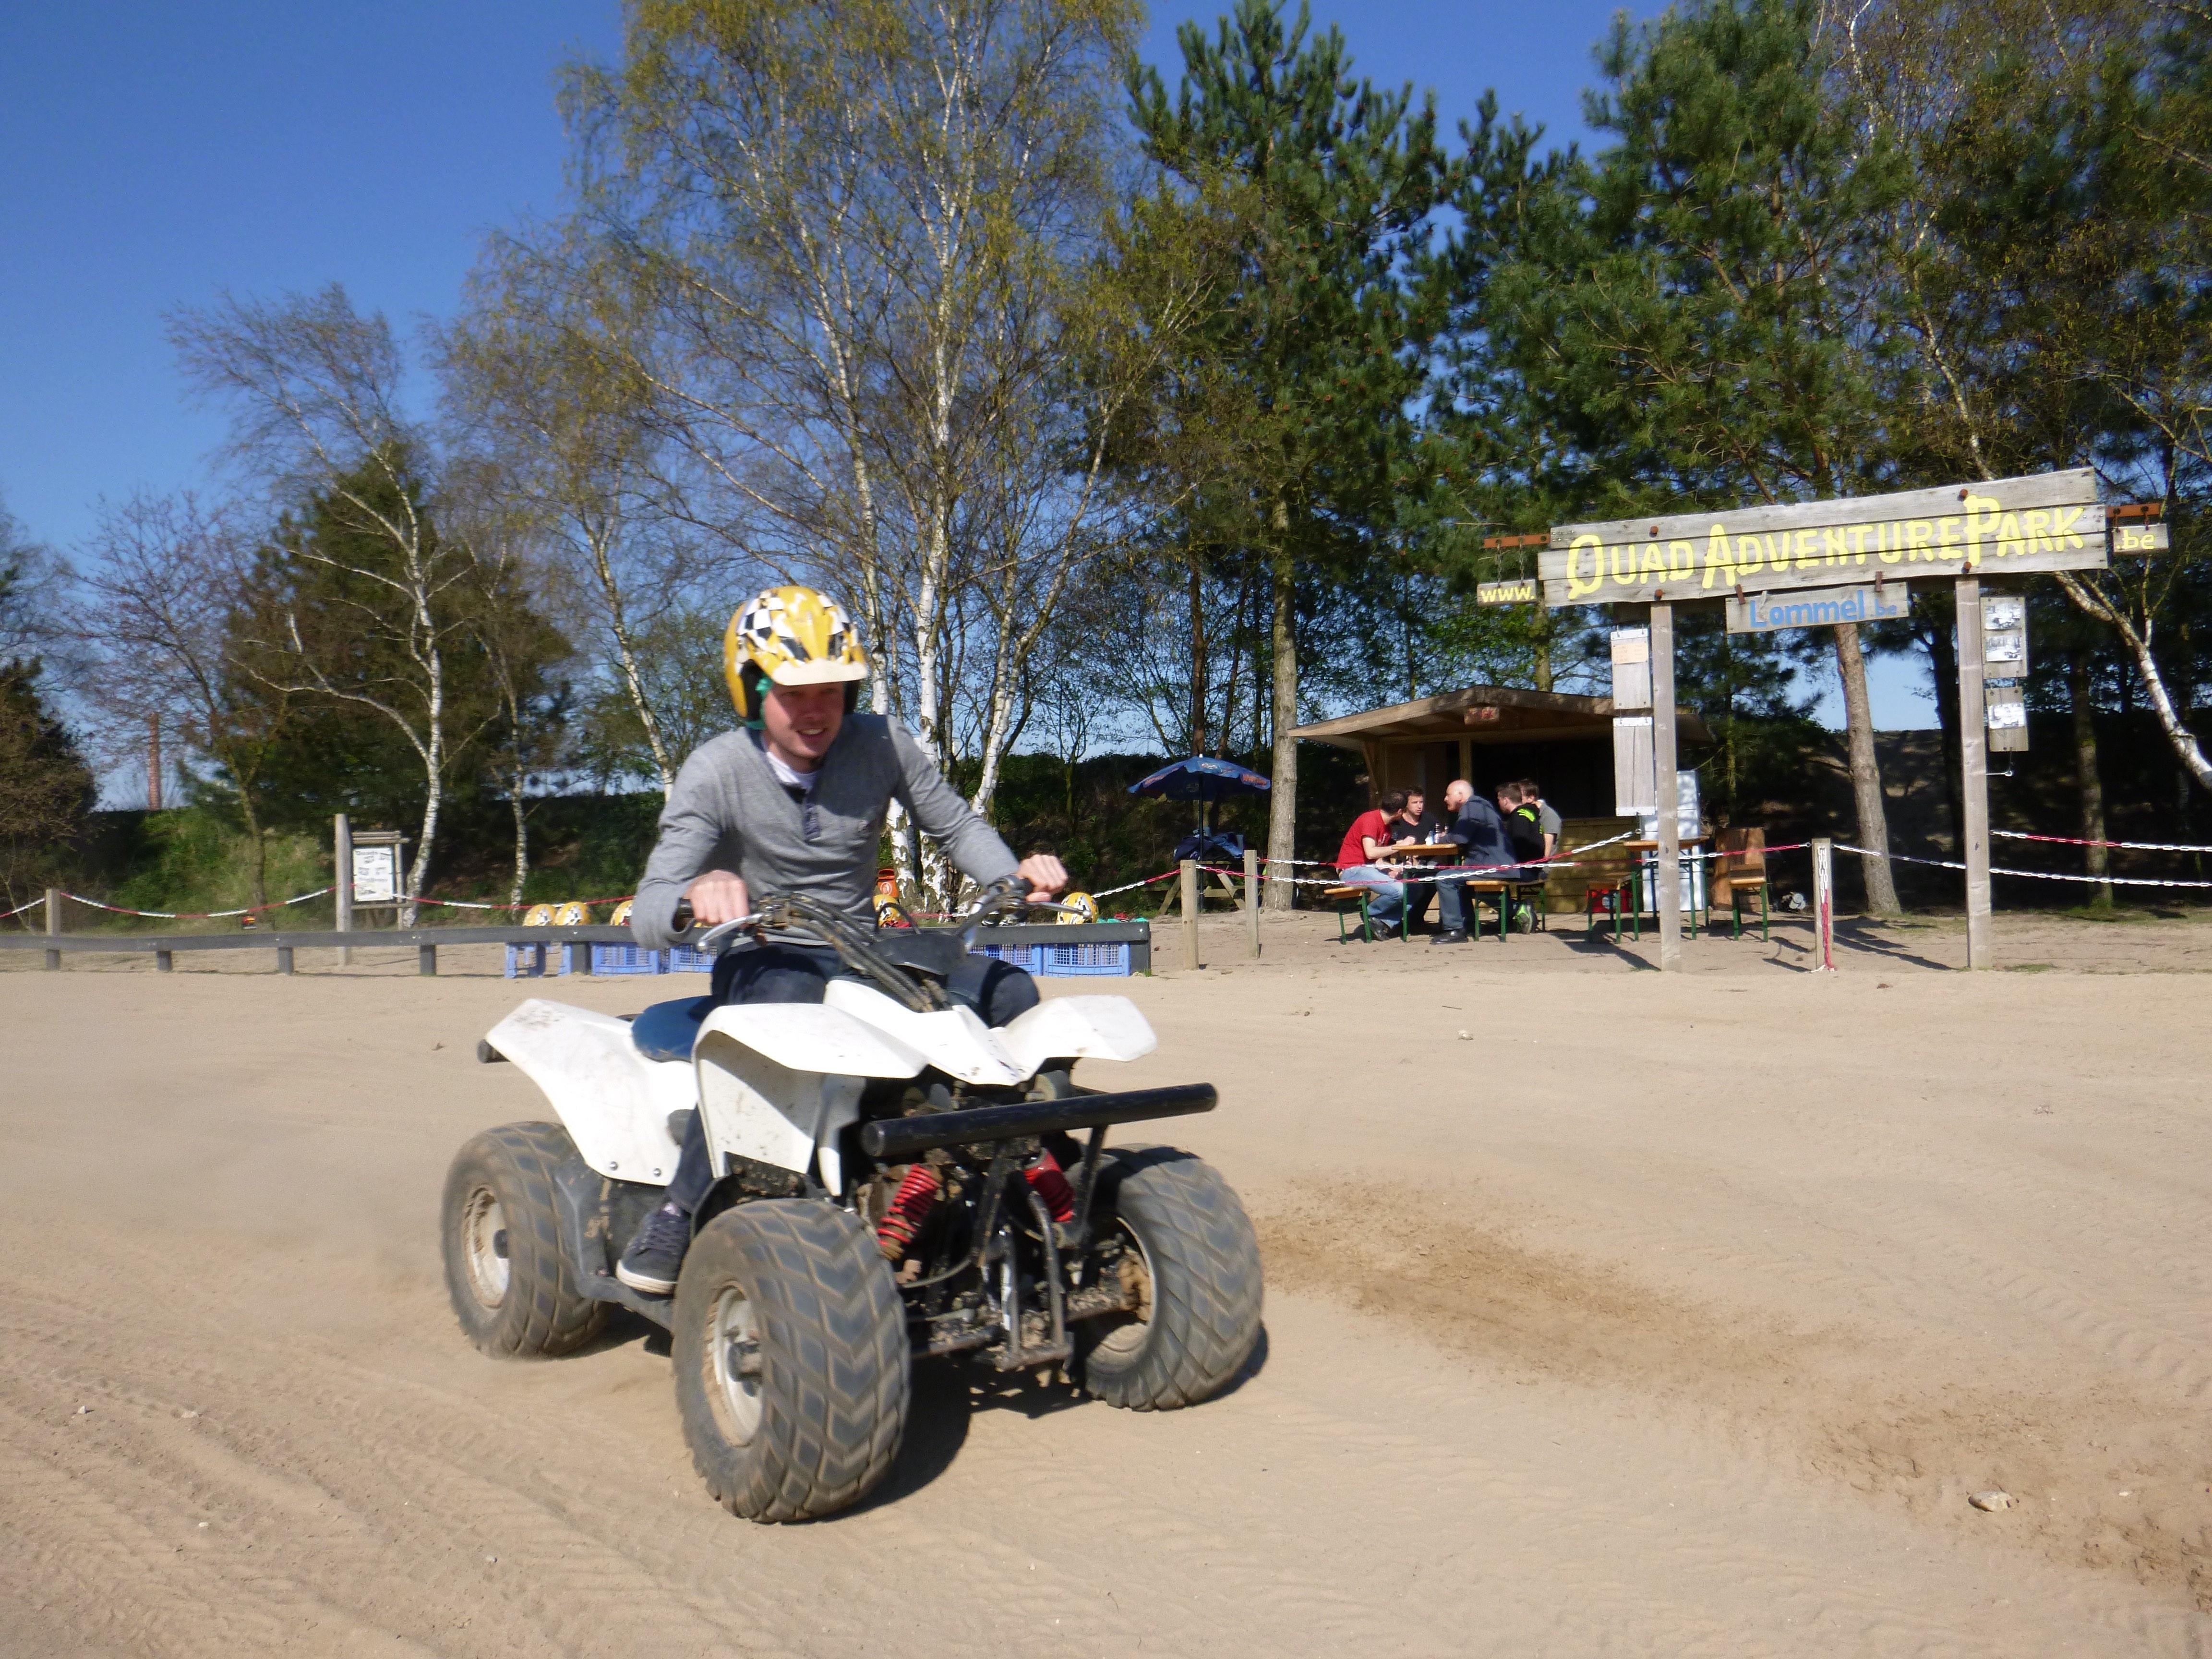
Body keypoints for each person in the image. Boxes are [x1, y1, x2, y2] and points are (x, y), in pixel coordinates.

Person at [617, 585, 1070, 1294]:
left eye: (832, 691)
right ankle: (681, 1207)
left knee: (1009, 988)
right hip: (765, 954)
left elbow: (953, 825)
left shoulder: (883, 744)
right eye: (795, 693)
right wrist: (693, 897)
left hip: (866, 951)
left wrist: (1013, 872)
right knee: (787, 1002)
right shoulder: (716, 770)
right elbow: (648, 908)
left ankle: (1034, 1163)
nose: (816, 710)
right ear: (753, 690)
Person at [1335, 790, 1412, 938]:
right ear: (1399, 811)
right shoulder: (1370, 820)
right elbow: (1370, 852)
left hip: (1368, 869)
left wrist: (1392, 868)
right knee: (1399, 891)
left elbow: (1376, 860)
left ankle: (1382, 922)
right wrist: (1397, 846)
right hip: (1352, 870)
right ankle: (1369, 913)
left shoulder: (1387, 827)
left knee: (1413, 890)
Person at [1521, 779, 1561, 859]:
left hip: (1541, 868)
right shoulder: (1527, 812)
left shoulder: (1549, 816)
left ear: (1531, 798)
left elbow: (1546, 853)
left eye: (1519, 796)